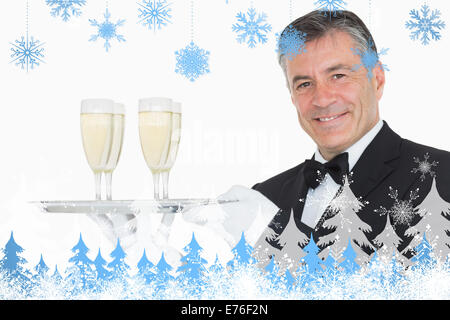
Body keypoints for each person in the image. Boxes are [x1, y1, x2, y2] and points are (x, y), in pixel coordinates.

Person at [248, 9, 450, 267]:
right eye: (304, 84)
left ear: (377, 80)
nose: (322, 99)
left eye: (338, 76)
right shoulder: (263, 199)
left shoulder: (443, 177)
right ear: (292, 97)